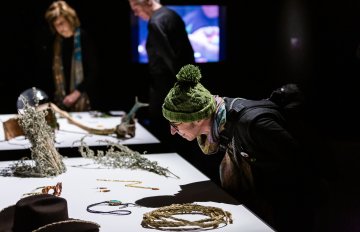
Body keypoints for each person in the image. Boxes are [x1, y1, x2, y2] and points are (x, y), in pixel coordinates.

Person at [162, 64, 316, 231]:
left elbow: (303, 165)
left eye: (175, 123)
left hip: (289, 210)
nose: (172, 131)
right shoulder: (221, 125)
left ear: (198, 119)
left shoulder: (251, 124)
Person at [128, 0, 195, 141]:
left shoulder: (155, 22)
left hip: (165, 86)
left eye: (135, 7)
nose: (135, 13)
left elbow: (169, 57)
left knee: (163, 132)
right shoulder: (172, 14)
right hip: (181, 82)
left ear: (147, 3)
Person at [44, 1, 98, 112]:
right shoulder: (57, 42)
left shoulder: (83, 37)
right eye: (56, 25)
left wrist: (76, 93)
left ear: (70, 19)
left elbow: (93, 70)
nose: (59, 28)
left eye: (61, 23)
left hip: (85, 99)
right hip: (62, 102)